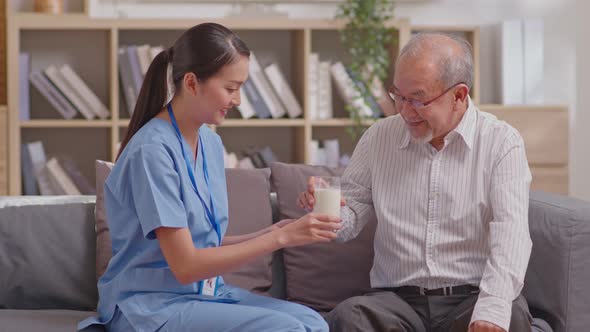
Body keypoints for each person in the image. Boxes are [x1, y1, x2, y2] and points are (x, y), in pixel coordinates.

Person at [78, 23, 341, 332]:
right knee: (287, 329)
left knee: (313, 322)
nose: (239, 100)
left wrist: (275, 230)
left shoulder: (211, 144)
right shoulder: (152, 152)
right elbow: (186, 265)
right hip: (149, 306)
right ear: (191, 83)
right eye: (231, 88)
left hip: (203, 296)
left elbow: (201, 243)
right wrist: (281, 238)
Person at [298, 33, 533, 332]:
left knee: (508, 317)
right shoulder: (378, 137)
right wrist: (323, 209)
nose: (404, 112)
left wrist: (493, 308)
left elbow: (510, 235)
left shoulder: (502, 142)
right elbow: (350, 216)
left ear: (459, 95)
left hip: (473, 297)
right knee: (351, 316)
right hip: (397, 302)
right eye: (398, 96)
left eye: (418, 100)